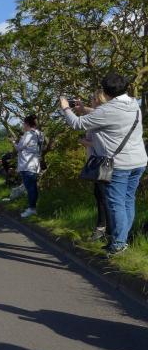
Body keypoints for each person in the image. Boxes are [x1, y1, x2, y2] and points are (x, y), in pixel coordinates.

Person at [61, 72, 147, 255]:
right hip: (138, 161)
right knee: (128, 200)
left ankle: (119, 244)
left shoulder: (107, 110)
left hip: (119, 165)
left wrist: (65, 108)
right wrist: (84, 109)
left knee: (116, 203)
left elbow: (77, 124)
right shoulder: (133, 103)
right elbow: (106, 115)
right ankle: (122, 239)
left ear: (105, 92)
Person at [78, 90, 112, 242]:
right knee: (99, 195)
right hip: (96, 160)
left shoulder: (101, 116)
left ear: (97, 100)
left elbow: (103, 142)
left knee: (104, 197)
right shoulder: (101, 113)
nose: (90, 100)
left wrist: (85, 142)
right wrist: (82, 108)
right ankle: (103, 228)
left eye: (91, 98)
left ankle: (107, 230)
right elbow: (93, 112)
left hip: (101, 161)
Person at [13, 115, 43, 218]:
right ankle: (33, 208)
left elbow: (19, 148)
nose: (23, 125)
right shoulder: (39, 134)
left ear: (27, 124)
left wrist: (13, 142)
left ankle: (31, 209)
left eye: (24, 123)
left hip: (27, 164)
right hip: (35, 164)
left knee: (30, 188)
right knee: (33, 187)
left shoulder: (28, 134)